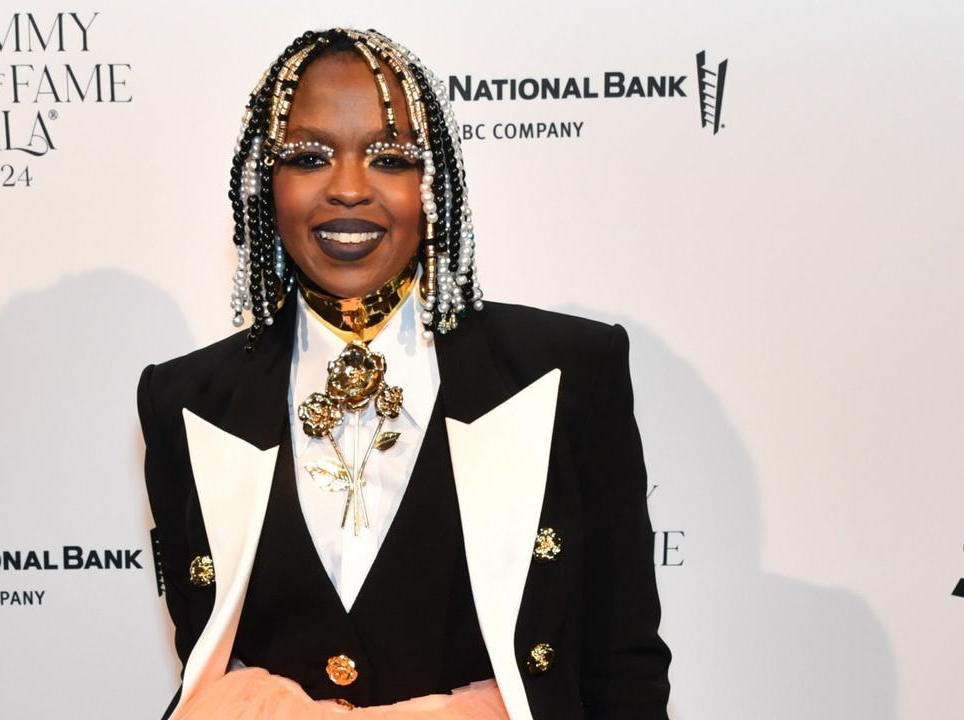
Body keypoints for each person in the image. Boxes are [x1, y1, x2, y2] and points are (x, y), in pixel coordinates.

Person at [137, 27, 671, 720]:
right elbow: (205, 650)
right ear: (264, 182)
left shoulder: (567, 372)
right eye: (308, 156)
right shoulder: (185, 400)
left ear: (435, 184)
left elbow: (621, 663)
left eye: (389, 157)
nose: (349, 188)